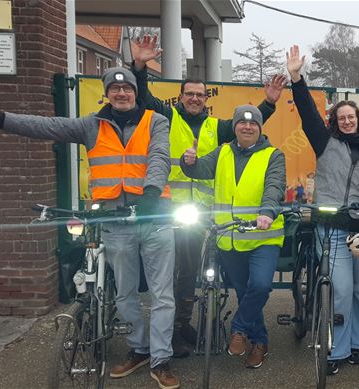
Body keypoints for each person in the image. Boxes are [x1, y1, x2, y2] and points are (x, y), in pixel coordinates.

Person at [0, 68, 180, 389]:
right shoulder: (90, 125)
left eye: (127, 88)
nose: (121, 93)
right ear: (107, 93)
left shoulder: (156, 121)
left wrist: (151, 191)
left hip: (155, 216)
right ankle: (140, 348)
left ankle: (161, 359)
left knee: (163, 294)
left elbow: (160, 155)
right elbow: (44, 126)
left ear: (136, 92)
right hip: (115, 219)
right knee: (124, 293)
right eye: (115, 88)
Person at [130, 35, 286, 356]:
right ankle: (166, 330)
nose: (195, 99)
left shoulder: (217, 127)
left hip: (199, 215)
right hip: (164, 208)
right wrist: (139, 67)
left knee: (189, 272)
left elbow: (249, 125)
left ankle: (182, 325)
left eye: (200, 95)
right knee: (163, 275)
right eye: (190, 93)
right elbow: (142, 97)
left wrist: (269, 102)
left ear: (206, 98)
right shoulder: (167, 116)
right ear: (181, 96)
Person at [287, 45, 359, 375]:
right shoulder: (323, 141)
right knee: (341, 291)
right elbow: (306, 112)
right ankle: (338, 348)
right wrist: (296, 78)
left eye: (351, 117)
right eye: (341, 117)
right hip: (330, 226)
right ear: (335, 121)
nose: (346, 121)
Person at [179, 105, 286, 369]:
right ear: (235, 126)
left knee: (260, 286)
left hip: (264, 235)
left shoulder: (274, 155)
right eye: (242, 123)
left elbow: (274, 186)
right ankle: (260, 342)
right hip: (229, 237)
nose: (247, 127)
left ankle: (238, 329)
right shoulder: (223, 152)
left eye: (253, 124)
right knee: (244, 292)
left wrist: (267, 212)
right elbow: (201, 169)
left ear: (260, 128)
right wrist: (188, 163)